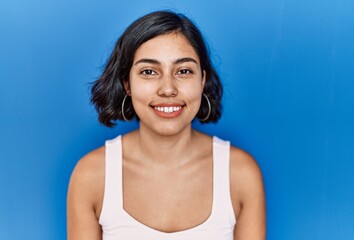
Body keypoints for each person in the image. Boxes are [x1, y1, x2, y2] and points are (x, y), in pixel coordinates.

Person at [67, 10, 266, 240]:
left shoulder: (241, 174)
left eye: (183, 71)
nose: (168, 89)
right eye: (149, 72)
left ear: (202, 80)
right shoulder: (91, 175)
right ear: (127, 83)